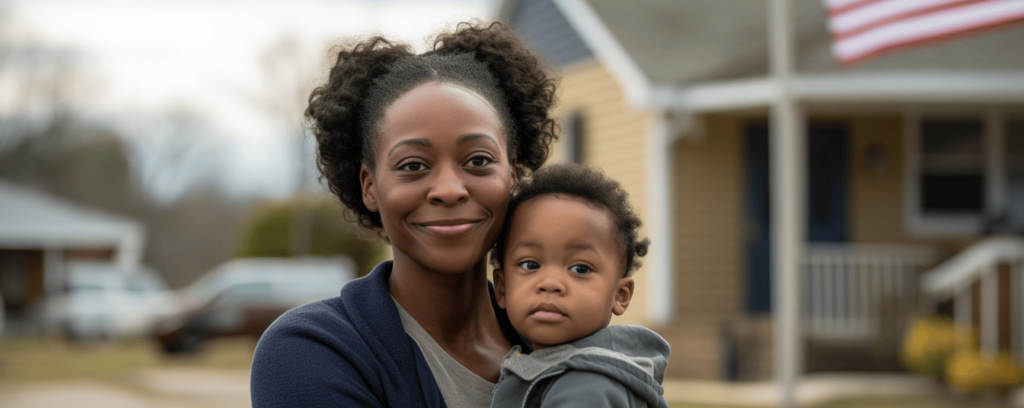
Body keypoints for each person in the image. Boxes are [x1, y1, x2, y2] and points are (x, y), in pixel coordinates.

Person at [249, 22, 558, 408]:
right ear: (370, 186)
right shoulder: (310, 351)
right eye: (413, 165)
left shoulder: (564, 344)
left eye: (478, 160)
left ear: (511, 174)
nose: (449, 189)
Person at [490, 163, 671, 408]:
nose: (551, 284)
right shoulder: (558, 369)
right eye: (530, 265)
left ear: (620, 295)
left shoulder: (585, 385)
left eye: (580, 269)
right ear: (502, 288)